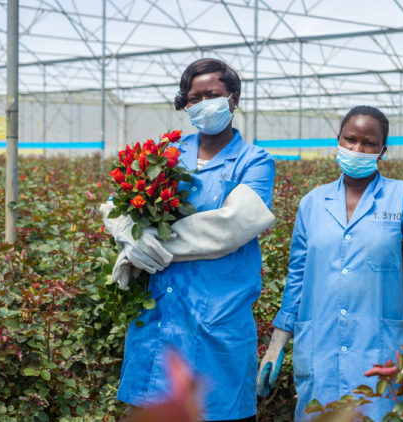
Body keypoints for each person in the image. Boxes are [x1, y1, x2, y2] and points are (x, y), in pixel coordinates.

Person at [104, 58, 276, 422]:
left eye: (212, 94)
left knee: (216, 411)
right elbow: (116, 204)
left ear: (234, 97)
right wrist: (126, 234)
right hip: (159, 317)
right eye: (194, 97)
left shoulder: (254, 161)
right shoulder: (165, 156)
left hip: (218, 320)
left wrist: (151, 241)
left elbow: (230, 227)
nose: (202, 103)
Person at [256, 106, 403, 420]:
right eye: (350, 139)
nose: (357, 149)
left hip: (380, 353)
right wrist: (276, 346)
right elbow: (298, 278)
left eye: (369, 143)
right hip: (320, 349)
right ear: (339, 140)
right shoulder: (312, 203)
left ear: (383, 150)